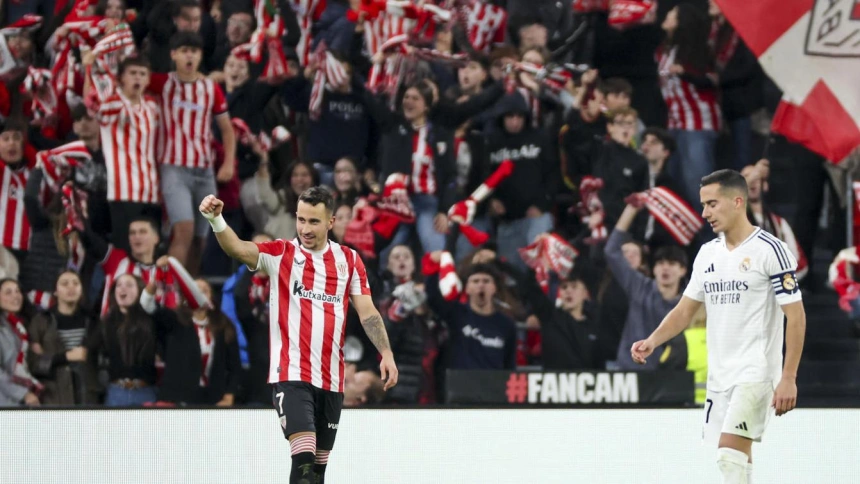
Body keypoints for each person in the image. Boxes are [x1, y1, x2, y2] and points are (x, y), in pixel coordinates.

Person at [199, 187, 398, 484]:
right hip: (292, 375)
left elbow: (368, 312)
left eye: (314, 222)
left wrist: (387, 353)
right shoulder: (281, 254)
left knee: (317, 472)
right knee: (303, 462)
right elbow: (238, 249)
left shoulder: (349, 261)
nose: (305, 228)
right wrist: (217, 221)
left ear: (330, 222)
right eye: (301, 220)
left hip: (331, 379)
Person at [631, 169, 806, 484]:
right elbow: (685, 311)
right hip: (720, 376)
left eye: (712, 204)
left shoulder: (770, 250)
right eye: (703, 205)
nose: (704, 213)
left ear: (737, 201)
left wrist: (789, 377)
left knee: (729, 456)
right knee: (740, 461)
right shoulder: (706, 254)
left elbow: (796, 315)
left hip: (756, 372)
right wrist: (653, 341)